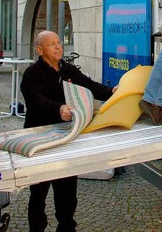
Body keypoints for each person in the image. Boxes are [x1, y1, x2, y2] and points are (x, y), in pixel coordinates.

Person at [20, 30, 116, 232]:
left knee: (67, 192)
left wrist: (112, 93)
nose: (58, 47)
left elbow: (89, 86)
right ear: (40, 49)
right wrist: (58, 108)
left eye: (59, 43)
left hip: (67, 138)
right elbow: (35, 100)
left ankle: (66, 227)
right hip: (40, 140)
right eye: (52, 44)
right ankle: (36, 228)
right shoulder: (32, 73)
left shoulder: (68, 69)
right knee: (38, 192)